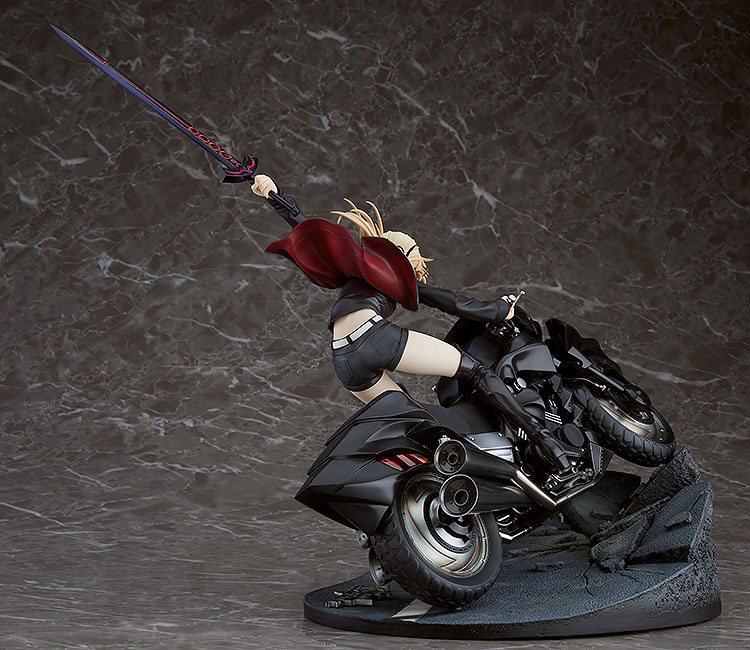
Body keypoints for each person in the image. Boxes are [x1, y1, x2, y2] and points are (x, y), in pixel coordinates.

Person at [251, 174, 570, 473]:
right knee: (476, 372)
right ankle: (546, 442)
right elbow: (452, 302)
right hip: (371, 338)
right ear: (401, 254)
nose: (420, 263)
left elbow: (311, 230)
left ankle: (444, 475)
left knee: (413, 419)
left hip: (344, 361)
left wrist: (274, 196)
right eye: (416, 253)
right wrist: (501, 310)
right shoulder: (389, 269)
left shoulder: (358, 270)